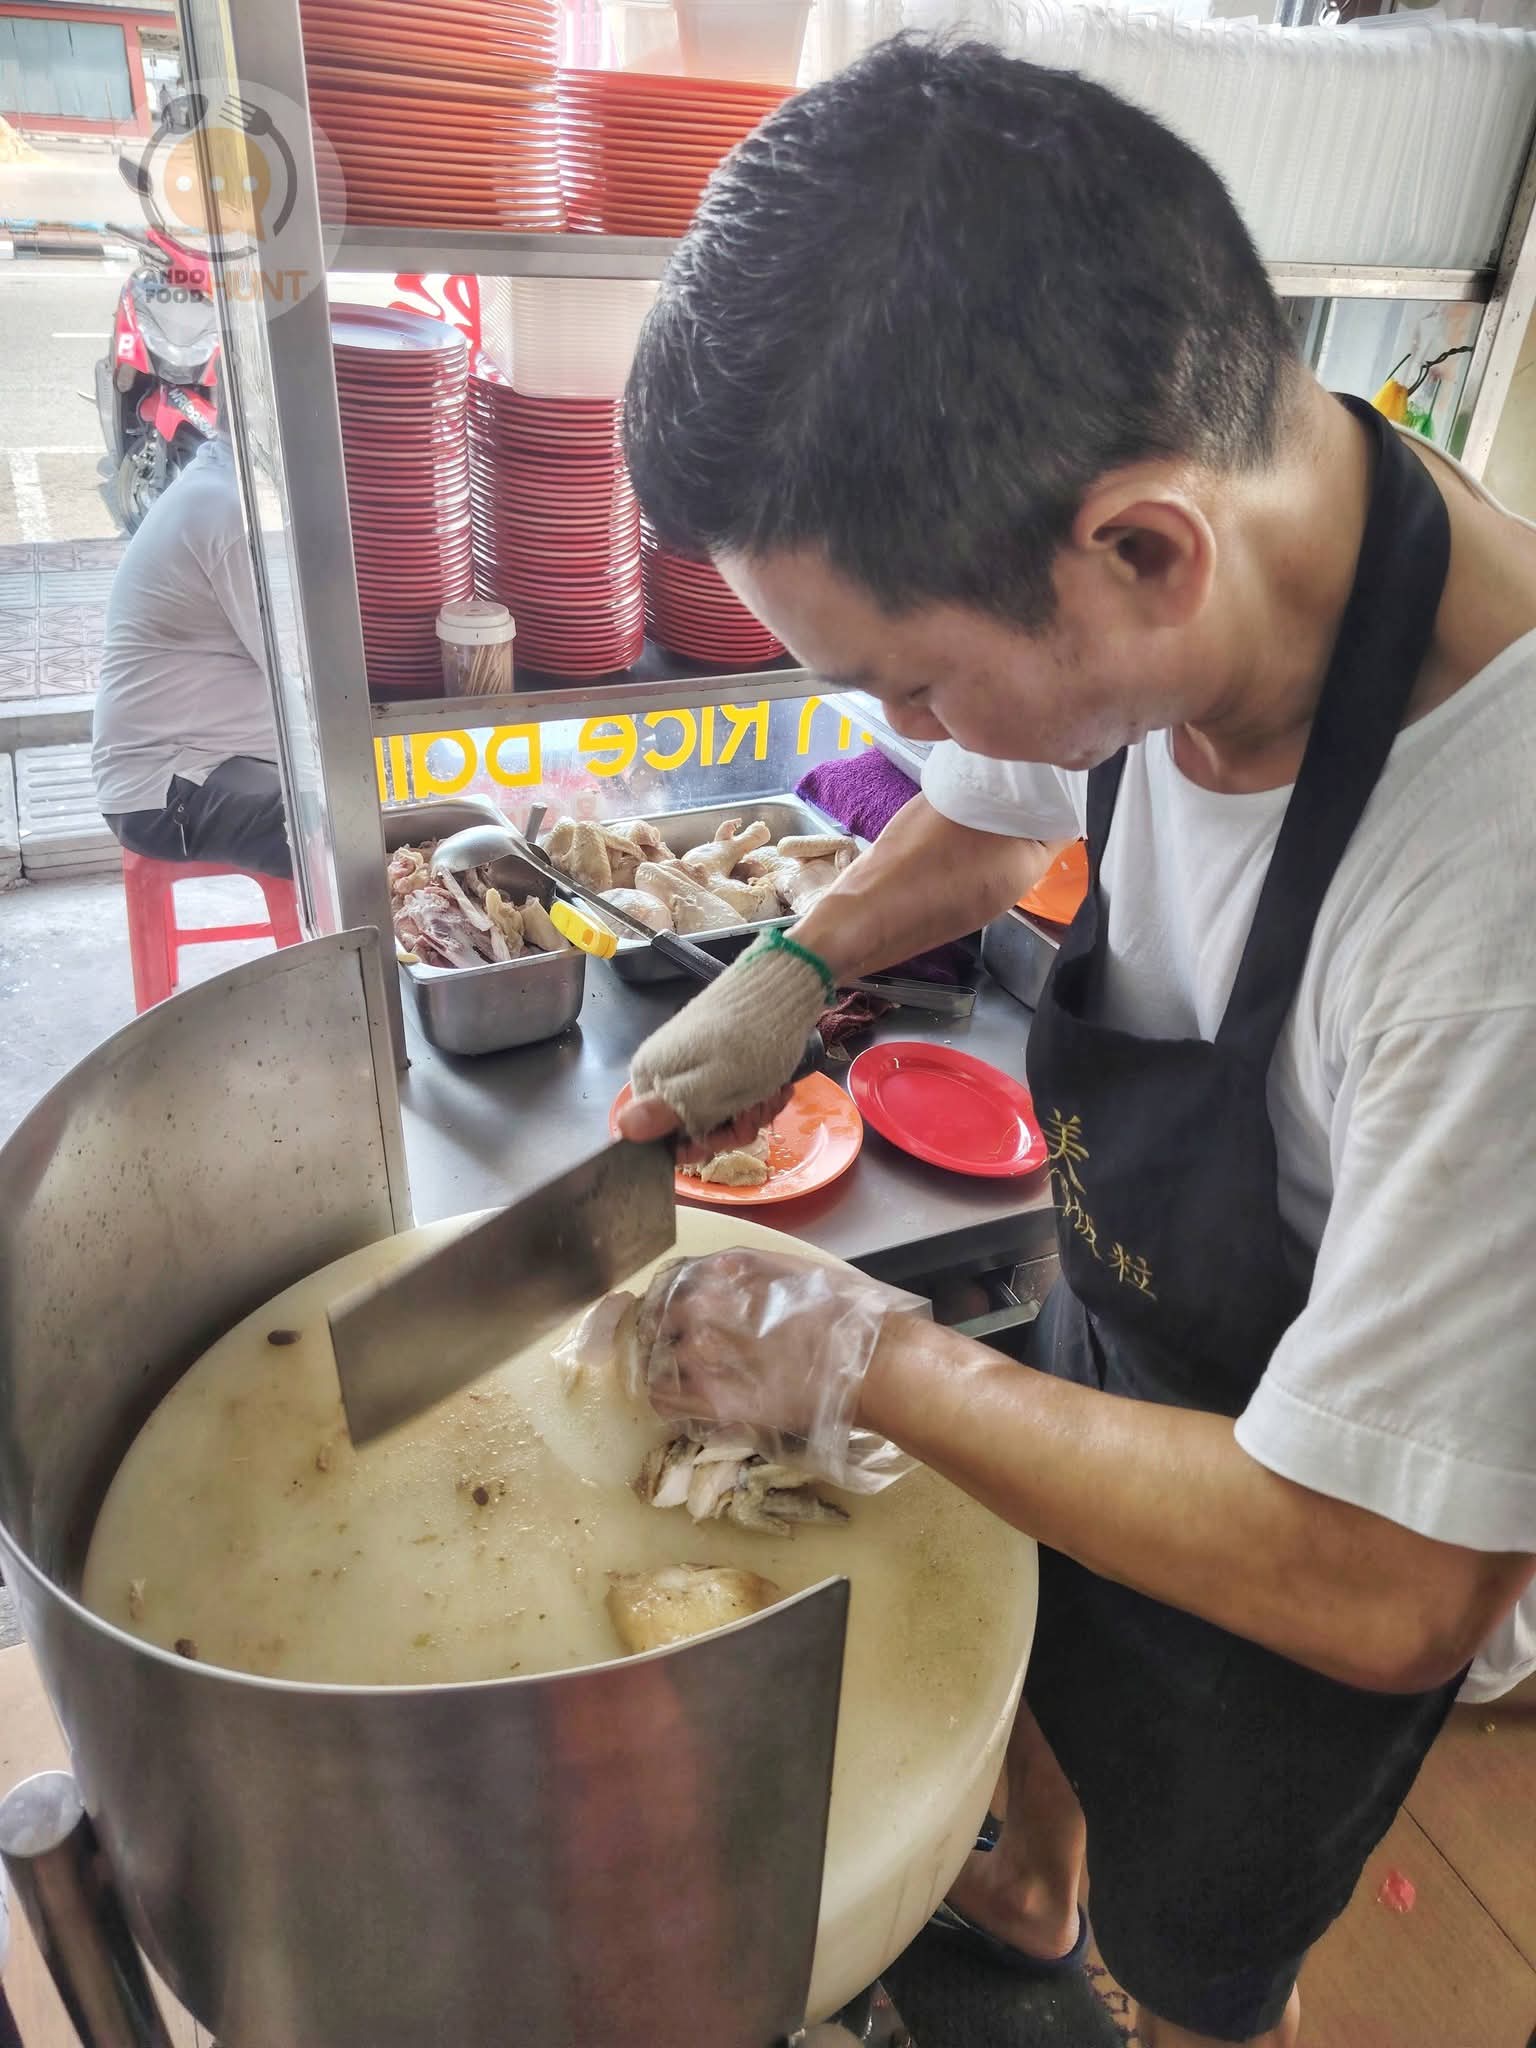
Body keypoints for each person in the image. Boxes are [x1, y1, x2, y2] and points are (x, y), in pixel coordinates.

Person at [614, 39, 1536, 2048]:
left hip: (1319, 1534)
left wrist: (868, 1353)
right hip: (1121, 1322)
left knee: (1201, 1934)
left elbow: (1392, 1577)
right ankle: (1034, 1886)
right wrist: (795, 960)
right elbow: (1007, 794)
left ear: (1143, 553)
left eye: (910, 680)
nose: (907, 734)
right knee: (1039, 1655)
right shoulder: (1253, 513)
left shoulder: (1494, 907)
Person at [92, 430, 291, 880]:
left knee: (371, 804)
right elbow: (297, 674)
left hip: (210, 759)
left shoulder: (225, 487)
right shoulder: (229, 511)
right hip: (167, 788)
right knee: (351, 826)